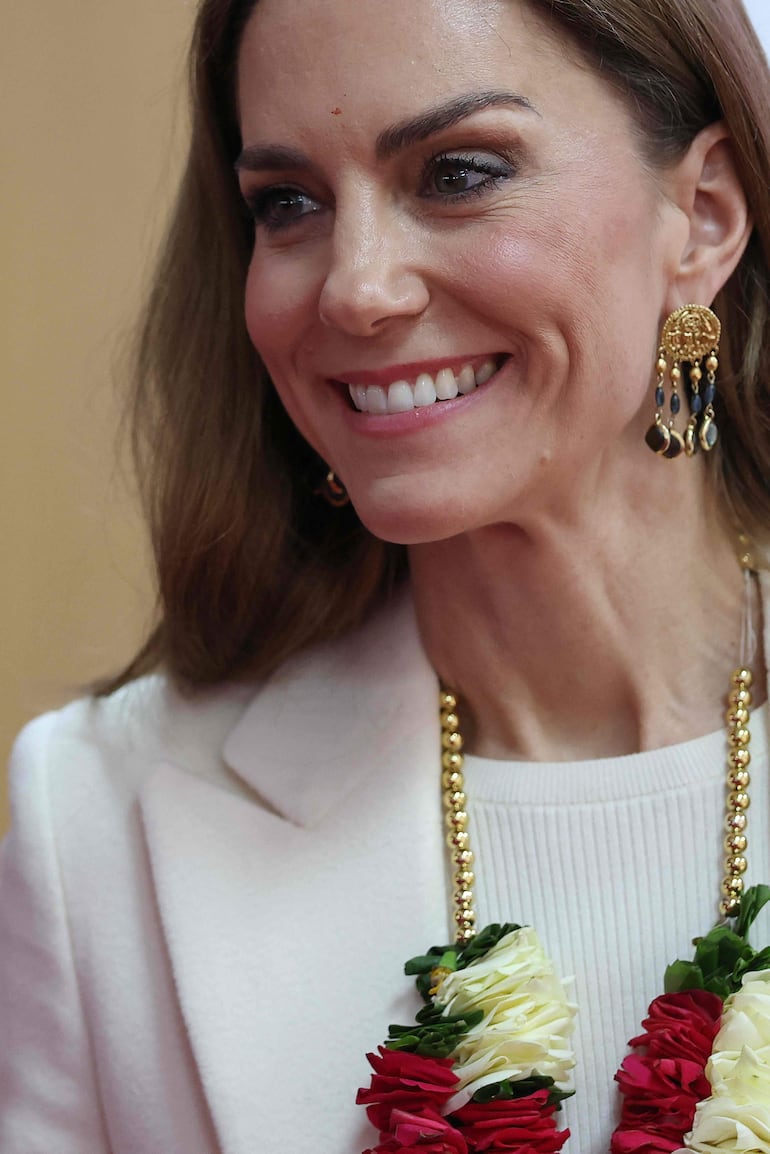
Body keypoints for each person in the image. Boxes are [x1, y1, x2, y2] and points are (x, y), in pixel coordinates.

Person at [3, 0, 770, 1151]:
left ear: (701, 217)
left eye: (457, 172)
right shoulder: (94, 814)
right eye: (289, 204)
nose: (354, 290)